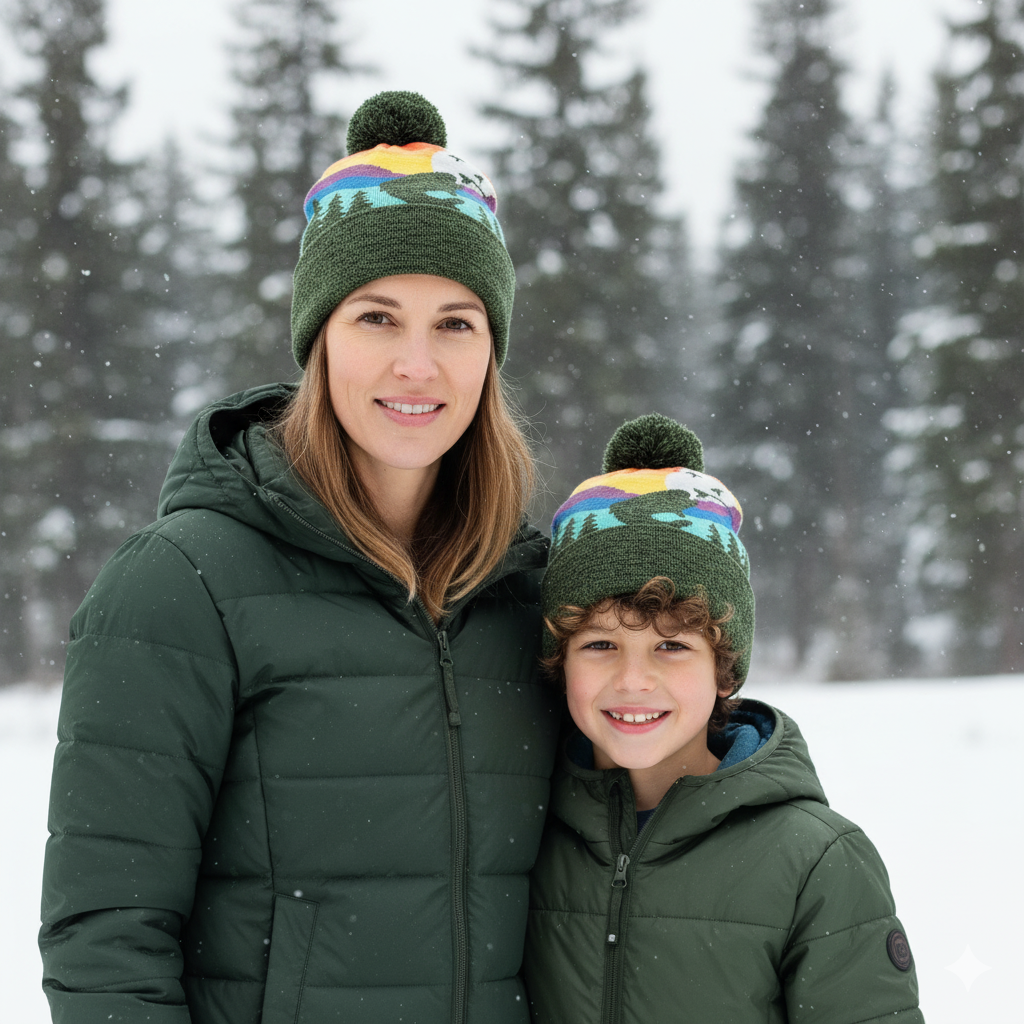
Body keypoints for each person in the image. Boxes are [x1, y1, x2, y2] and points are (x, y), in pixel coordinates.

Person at [39, 91, 561, 1024]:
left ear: (491, 352)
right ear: (320, 338)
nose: (417, 364)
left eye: (455, 323)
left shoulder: (528, 597)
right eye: (376, 317)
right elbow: (107, 942)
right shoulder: (182, 585)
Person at [522, 413, 923, 1024]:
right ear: (560, 661)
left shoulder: (815, 860)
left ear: (724, 669)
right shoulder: (523, 831)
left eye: (672, 645)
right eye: (600, 644)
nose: (633, 680)